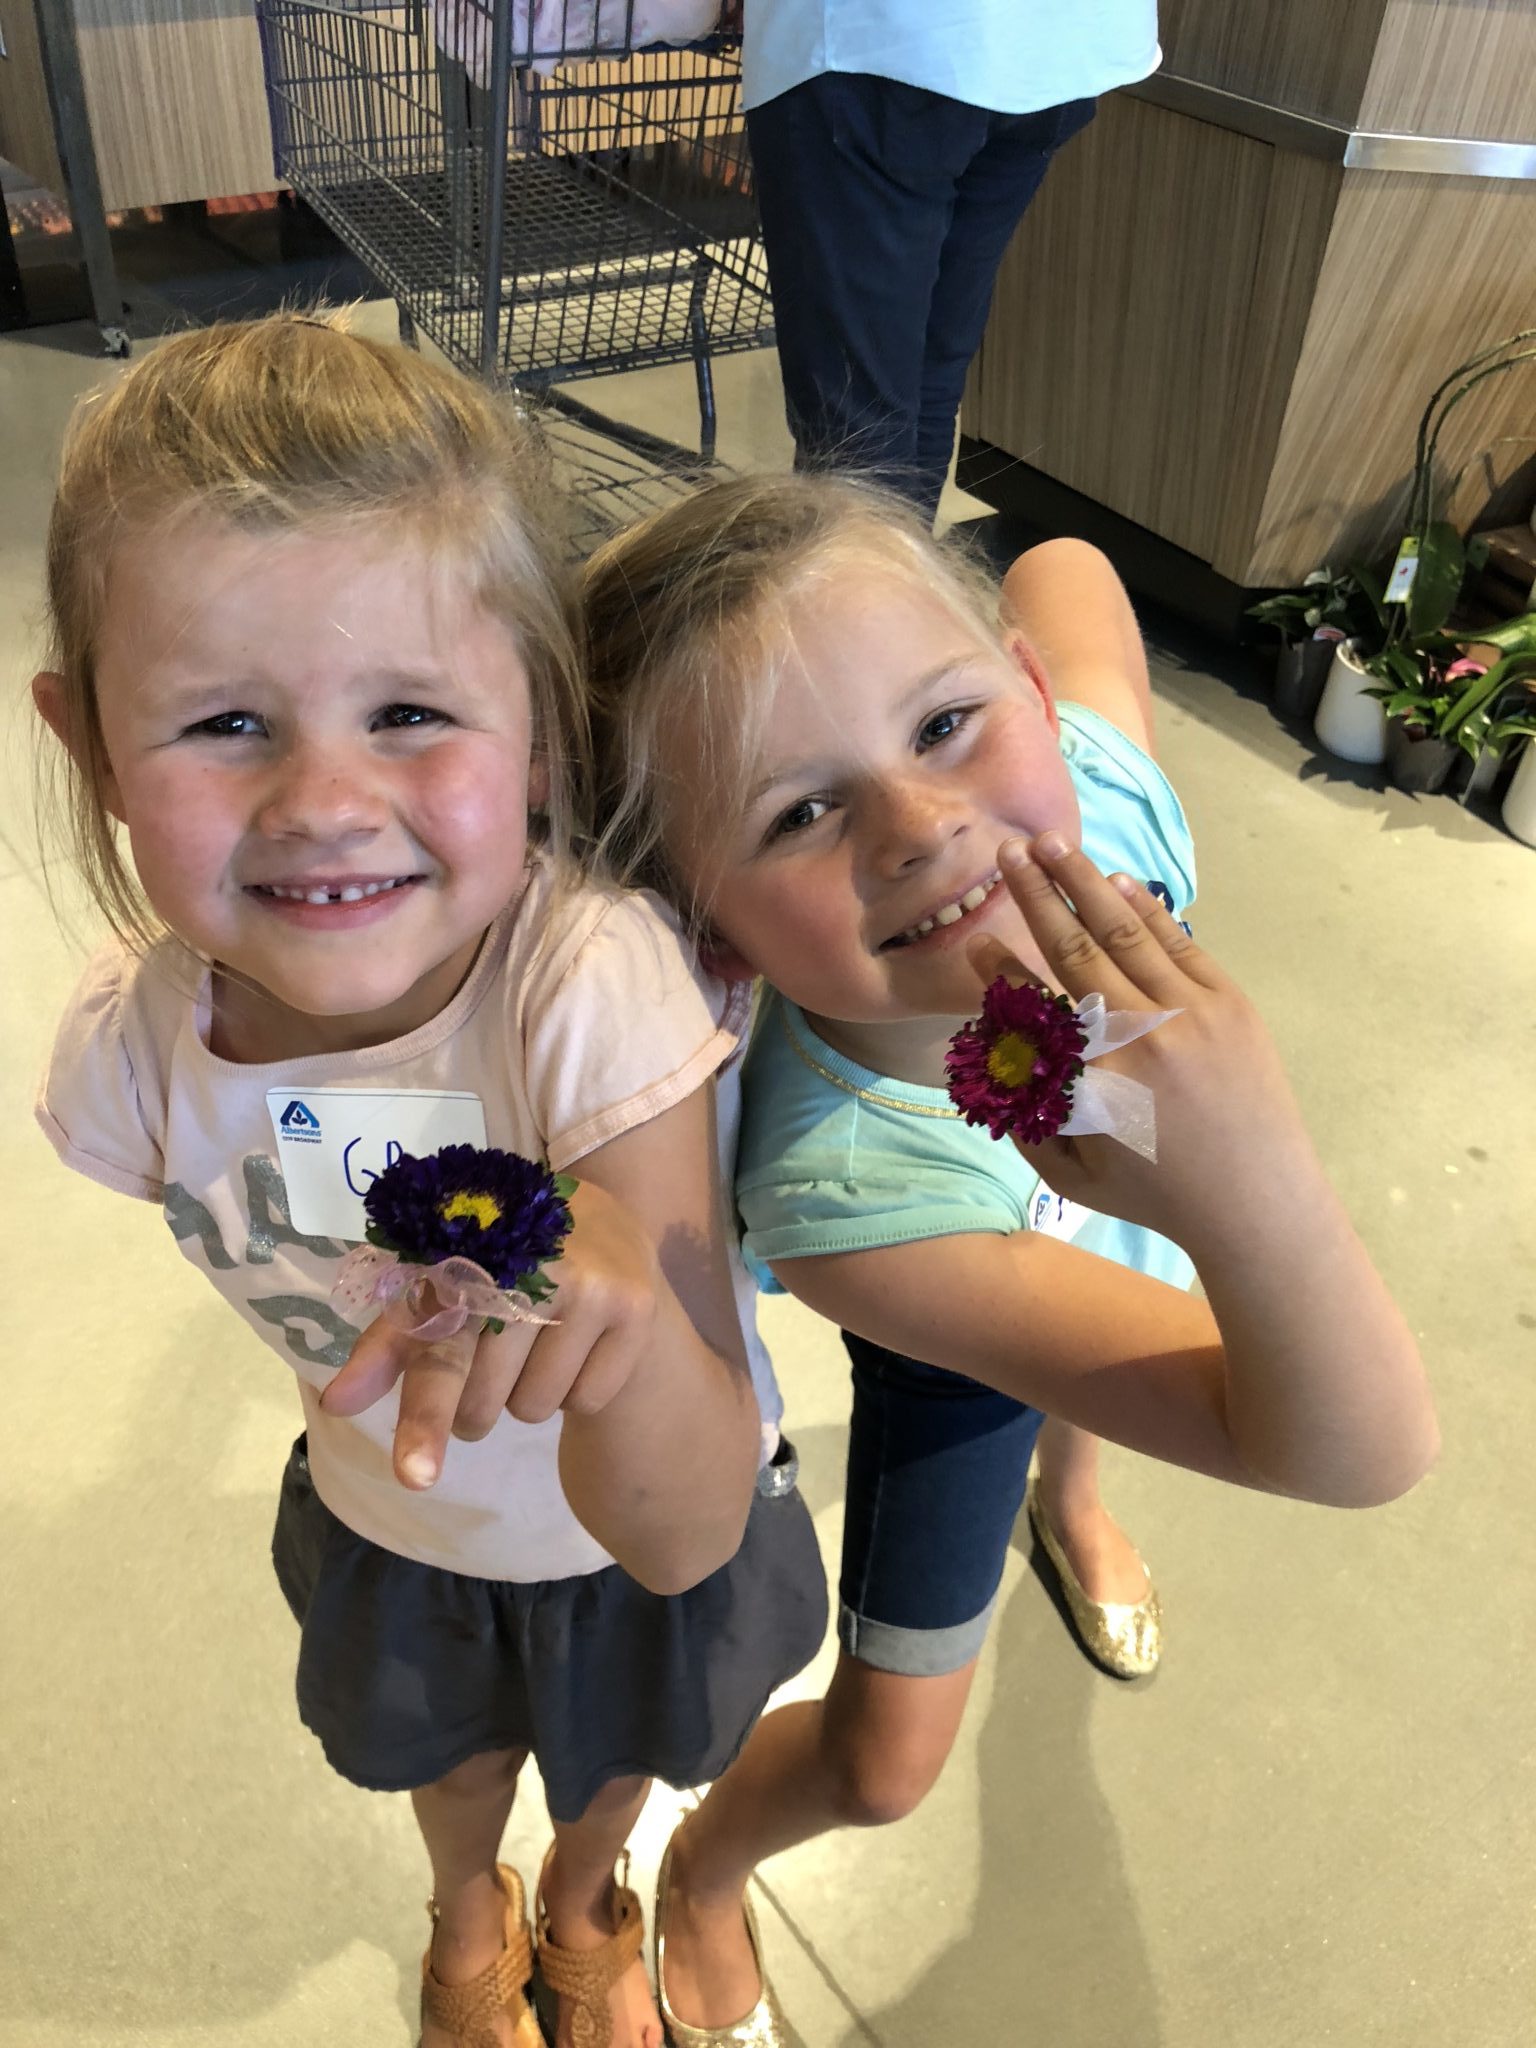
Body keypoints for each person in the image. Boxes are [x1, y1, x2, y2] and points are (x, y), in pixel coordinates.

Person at [30, 318, 826, 2048]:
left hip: (630, 1542)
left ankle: (585, 1896)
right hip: (394, 1521)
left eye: (408, 709)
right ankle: (469, 1901)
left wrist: (622, 1319)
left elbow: (687, 1522)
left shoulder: (587, 988)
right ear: (88, 741)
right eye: (223, 721)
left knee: (613, 1755)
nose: (324, 798)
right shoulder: (128, 1054)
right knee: (443, 1755)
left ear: (538, 727)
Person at [580, 473, 1438, 2041]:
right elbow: (1361, 1453)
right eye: (797, 811)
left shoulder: (1098, 795)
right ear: (711, 932)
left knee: (1117, 1365)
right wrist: (1248, 1181)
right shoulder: (848, 1197)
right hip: (965, 1326)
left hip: (1112, 1236)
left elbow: (1062, 567)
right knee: (883, 1765)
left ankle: (1079, 1490)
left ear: (1028, 693)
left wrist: (1213, 1184)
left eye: (947, 722)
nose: (925, 829)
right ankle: (705, 1868)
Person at [740, 0, 1162, 520]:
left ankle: (874, 594)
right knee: (927, 373)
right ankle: (903, 585)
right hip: (1058, 47)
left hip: (878, 46)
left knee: (856, 422)